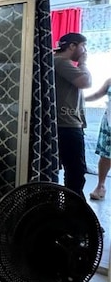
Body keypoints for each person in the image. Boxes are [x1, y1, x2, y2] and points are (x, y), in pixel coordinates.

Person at [53, 32, 91, 197]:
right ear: (72, 46)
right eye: (83, 46)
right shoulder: (62, 62)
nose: (84, 51)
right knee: (76, 172)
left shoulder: (58, 62)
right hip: (67, 126)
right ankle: (74, 212)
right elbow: (85, 82)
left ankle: (69, 209)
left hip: (66, 124)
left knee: (73, 171)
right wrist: (83, 64)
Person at [85, 76, 111, 200]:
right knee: (105, 155)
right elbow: (97, 95)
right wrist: (81, 99)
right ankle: (100, 186)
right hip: (109, 121)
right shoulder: (110, 80)